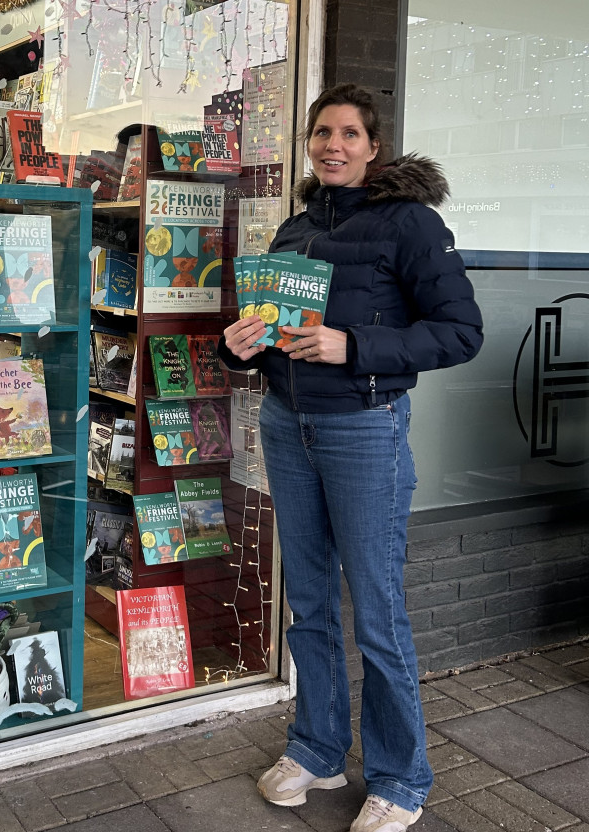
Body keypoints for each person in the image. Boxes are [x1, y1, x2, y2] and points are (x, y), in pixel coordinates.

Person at [220, 84, 483, 832]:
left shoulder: (412, 224)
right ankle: (318, 748)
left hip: (364, 430)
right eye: (321, 134)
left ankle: (401, 779)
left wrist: (354, 345)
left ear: (373, 146)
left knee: (376, 612)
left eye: (348, 134)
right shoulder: (296, 231)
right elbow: (269, 330)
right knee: (307, 601)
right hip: (287, 425)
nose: (332, 145)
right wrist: (238, 346)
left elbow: (462, 332)